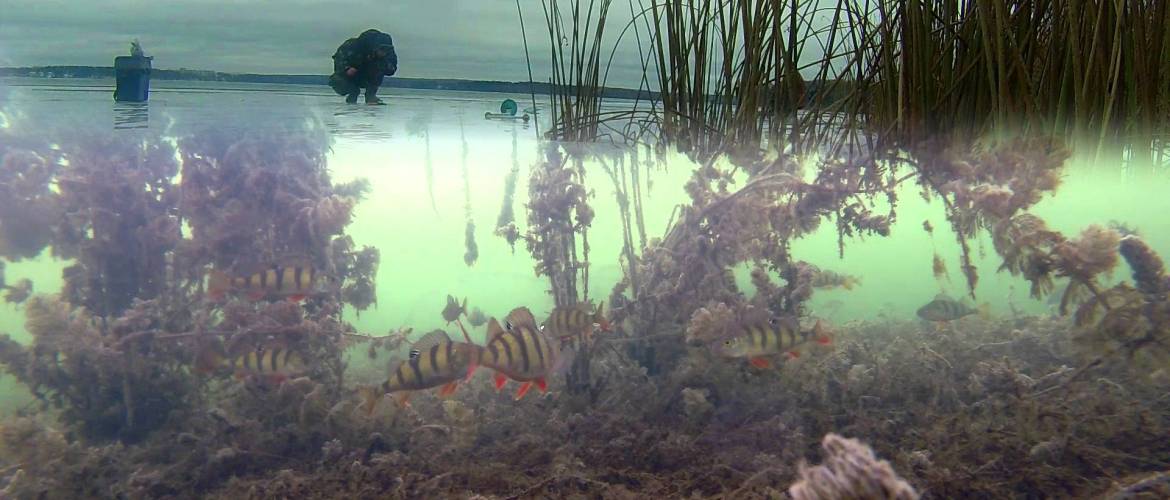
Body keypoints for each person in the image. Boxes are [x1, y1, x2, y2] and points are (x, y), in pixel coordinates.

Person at [329, 29, 398, 105]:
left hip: (368, 78)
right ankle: (352, 92)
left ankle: (371, 96)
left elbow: (391, 70)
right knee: (338, 80)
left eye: (387, 50)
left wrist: (381, 62)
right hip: (350, 76)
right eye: (381, 49)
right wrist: (346, 69)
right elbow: (339, 59)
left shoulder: (388, 54)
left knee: (378, 69)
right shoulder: (352, 46)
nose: (384, 52)